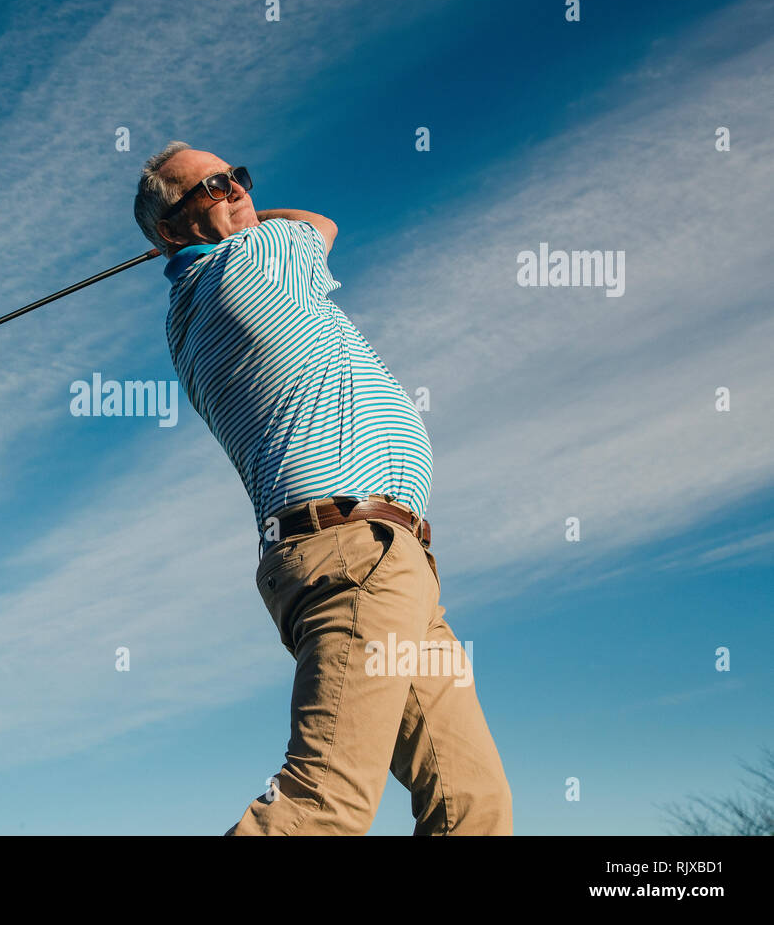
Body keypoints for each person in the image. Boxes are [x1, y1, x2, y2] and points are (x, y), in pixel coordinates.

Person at [132, 141, 512, 835]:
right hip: (352, 550)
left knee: (472, 805)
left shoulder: (194, 302)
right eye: (211, 187)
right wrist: (248, 219)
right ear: (171, 228)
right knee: (324, 803)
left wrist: (217, 215)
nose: (237, 191)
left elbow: (289, 226)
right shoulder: (251, 261)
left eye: (237, 177)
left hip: (387, 562)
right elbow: (319, 221)